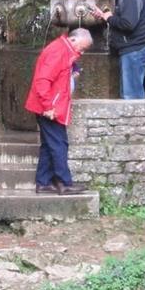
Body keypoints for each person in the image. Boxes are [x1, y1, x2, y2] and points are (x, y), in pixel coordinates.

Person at [24, 28, 93, 195]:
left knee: (49, 145)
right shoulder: (58, 51)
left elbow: (62, 67)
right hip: (49, 108)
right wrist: (48, 107)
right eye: (82, 48)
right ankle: (64, 182)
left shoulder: (63, 49)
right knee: (59, 144)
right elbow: (42, 80)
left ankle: (43, 182)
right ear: (74, 40)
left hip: (49, 106)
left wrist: (74, 68)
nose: (82, 52)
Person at [90, 0, 145, 99]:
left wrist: (109, 18)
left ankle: (136, 120)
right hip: (135, 49)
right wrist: (104, 16)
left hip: (134, 50)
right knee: (132, 93)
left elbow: (128, 24)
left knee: (132, 97)